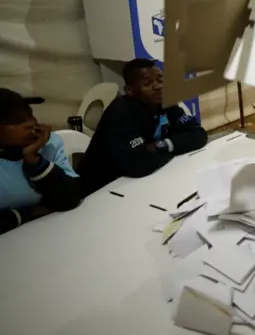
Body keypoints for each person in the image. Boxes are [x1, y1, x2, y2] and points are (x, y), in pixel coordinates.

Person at [78, 59, 208, 194]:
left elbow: (199, 135)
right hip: (98, 190)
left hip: (137, 182)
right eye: (147, 83)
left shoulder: (164, 102)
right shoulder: (120, 112)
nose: (158, 86)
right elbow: (137, 164)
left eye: (160, 80)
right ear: (129, 90)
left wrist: (162, 145)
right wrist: (177, 145)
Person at [0, 89, 83, 235]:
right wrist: (26, 214)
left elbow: (72, 196)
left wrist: (34, 161)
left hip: (51, 231)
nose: (31, 123)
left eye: (30, 114)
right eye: (16, 121)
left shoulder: (50, 144)